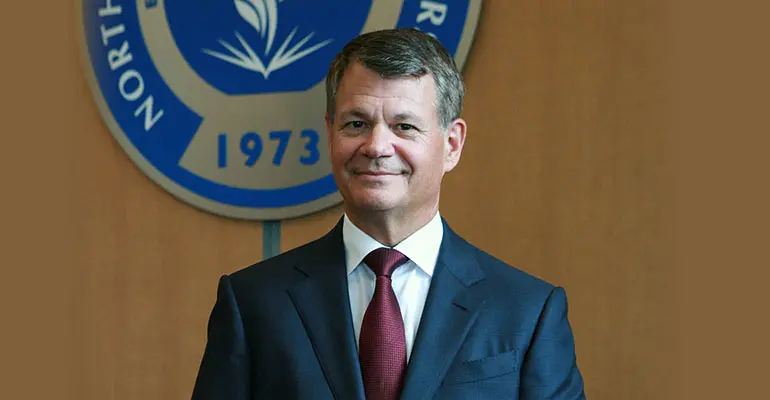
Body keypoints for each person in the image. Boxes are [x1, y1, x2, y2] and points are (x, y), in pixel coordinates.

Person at [191, 28, 586, 400]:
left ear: (451, 144)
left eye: (404, 126)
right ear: (330, 135)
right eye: (356, 123)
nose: (377, 145)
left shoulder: (529, 311)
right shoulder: (253, 303)